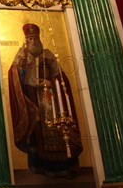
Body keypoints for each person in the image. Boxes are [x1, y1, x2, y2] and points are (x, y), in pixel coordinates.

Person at [8, 24, 82, 177]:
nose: (32, 41)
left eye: (34, 38)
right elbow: (15, 76)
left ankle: (63, 166)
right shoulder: (22, 54)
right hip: (32, 97)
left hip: (52, 99)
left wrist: (51, 83)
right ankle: (39, 166)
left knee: (57, 128)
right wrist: (22, 67)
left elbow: (60, 78)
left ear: (39, 38)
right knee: (36, 130)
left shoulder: (48, 55)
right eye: (29, 39)